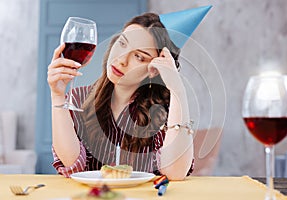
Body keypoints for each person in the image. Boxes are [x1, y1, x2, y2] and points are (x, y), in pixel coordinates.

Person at [47, 6, 211, 180]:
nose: (121, 59)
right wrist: (57, 96)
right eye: (123, 43)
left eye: (138, 56)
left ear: (154, 69)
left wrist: (177, 90)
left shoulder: (166, 111)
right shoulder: (78, 99)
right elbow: (73, 166)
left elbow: (175, 173)